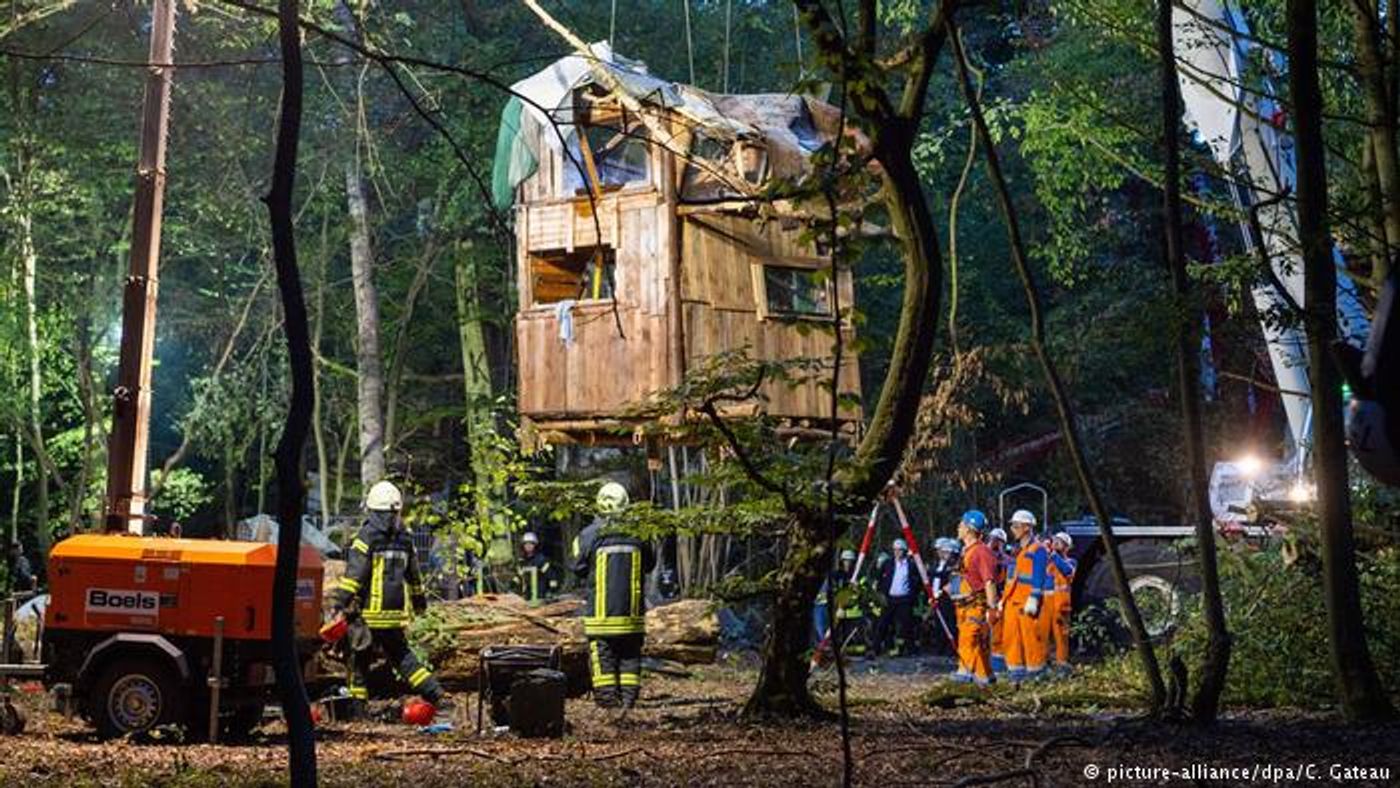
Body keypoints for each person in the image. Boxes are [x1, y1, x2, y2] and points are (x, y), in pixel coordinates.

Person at [331, 481, 447, 718]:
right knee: (403, 658)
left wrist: (339, 603)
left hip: (369, 614)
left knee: (358, 661)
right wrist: (419, 603)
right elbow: (414, 577)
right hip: (394, 614)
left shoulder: (366, 537)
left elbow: (355, 576)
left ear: (372, 509)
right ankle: (435, 693)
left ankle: (357, 711)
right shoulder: (405, 538)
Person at [572, 482, 655, 709]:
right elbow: (650, 564)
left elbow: (577, 568)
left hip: (600, 616)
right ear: (626, 503)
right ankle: (628, 704)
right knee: (630, 657)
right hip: (631, 616)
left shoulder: (589, 534)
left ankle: (608, 706)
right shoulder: (639, 532)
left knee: (603, 658)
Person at [950, 510, 998, 685]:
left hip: (975, 607)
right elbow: (962, 578)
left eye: (961, 524)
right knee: (978, 646)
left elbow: (989, 582)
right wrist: (941, 592)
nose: (958, 527)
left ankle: (963, 678)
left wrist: (993, 608)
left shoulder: (981, 552)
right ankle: (985, 679)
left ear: (969, 529)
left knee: (968, 640)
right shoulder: (966, 551)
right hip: (963, 606)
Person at [1000, 509, 1049, 681]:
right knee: (1011, 639)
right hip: (1013, 602)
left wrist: (1035, 597)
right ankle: (1016, 675)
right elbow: (1012, 578)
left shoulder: (1038, 549)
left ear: (1027, 527)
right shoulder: (1018, 550)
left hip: (1027, 601)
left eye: (1015, 525)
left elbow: (1039, 575)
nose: (1012, 529)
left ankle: (1035, 675)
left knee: (1031, 640)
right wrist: (1003, 600)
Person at [876, 538, 918, 656]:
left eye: (899, 550)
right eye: (895, 550)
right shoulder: (888, 563)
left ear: (904, 551)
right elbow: (879, 579)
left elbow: (916, 581)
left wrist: (912, 595)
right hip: (889, 598)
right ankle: (876, 648)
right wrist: (881, 593)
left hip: (904, 599)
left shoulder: (910, 565)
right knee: (883, 624)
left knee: (907, 624)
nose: (897, 552)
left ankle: (911, 649)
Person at [1047, 532, 1077, 674]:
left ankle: (1062, 665)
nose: (1056, 543)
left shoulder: (1070, 562)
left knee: (1061, 637)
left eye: (1060, 542)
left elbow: (1067, 570)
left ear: (1067, 547)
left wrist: (1053, 555)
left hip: (1061, 606)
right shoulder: (1049, 561)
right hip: (1047, 605)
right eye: (1055, 540)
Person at [986, 527, 1011, 672]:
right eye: (992, 539)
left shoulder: (1007, 560)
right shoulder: (983, 556)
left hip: (1000, 599)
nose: (994, 543)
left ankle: (997, 664)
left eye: (998, 540)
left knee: (998, 633)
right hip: (985, 598)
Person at [513, 531, 561, 604]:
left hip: (540, 598)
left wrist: (552, 591)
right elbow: (518, 577)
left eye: (531, 543)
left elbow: (552, 576)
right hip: (526, 598)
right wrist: (512, 586)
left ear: (535, 545)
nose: (528, 546)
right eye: (526, 544)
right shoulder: (522, 562)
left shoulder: (540, 560)